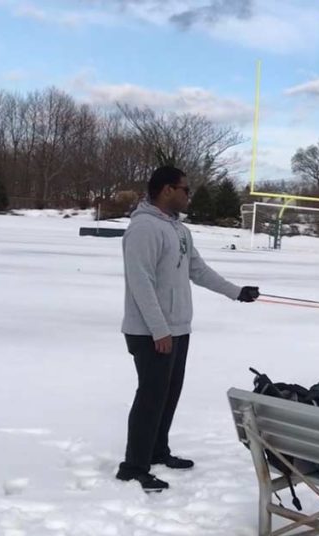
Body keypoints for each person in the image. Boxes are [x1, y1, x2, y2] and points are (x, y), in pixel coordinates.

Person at [117, 166, 260, 492]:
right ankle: (133, 467)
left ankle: (157, 450)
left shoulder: (179, 229)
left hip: (177, 328)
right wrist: (159, 330)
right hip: (150, 332)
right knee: (150, 397)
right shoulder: (143, 229)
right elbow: (140, 283)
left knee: (168, 396)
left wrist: (237, 292)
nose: (188, 195)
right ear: (167, 190)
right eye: (185, 189)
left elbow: (198, 270)